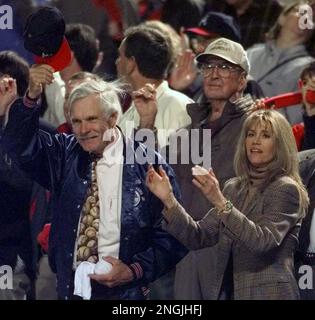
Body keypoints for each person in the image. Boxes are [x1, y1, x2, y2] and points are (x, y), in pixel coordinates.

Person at [0, 65, 187, 300]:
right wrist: (30, 98)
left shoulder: (147, 165)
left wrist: (133, 271)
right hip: (71, 289)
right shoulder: (63, 154)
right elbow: (17, 147)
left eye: (91, 119)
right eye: (76, 121)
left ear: (112, 118)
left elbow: (175, 235)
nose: (83, 130)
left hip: (126, 294)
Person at [147, 109, 309, 299]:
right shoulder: (235, 187)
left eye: (265, 135)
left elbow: (262, 241)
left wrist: (219, 201)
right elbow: (199, 236)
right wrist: (169, 199)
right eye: (251, 134)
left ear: (280, 145)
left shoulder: (285, 189)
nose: (255, 141)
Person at [117, 26, 192, 148]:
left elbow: (181, 164)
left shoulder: (179, 107)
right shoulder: (129, 112)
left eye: (120, 56)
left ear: (131, 63)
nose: (117, 62)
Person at [247, 0, 315, 125]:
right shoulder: (252, 53)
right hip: (225, 129)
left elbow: (295, 122)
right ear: (282, 17)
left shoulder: (308, 70)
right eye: (301, 12)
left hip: (260, 134)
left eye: (312, 18)